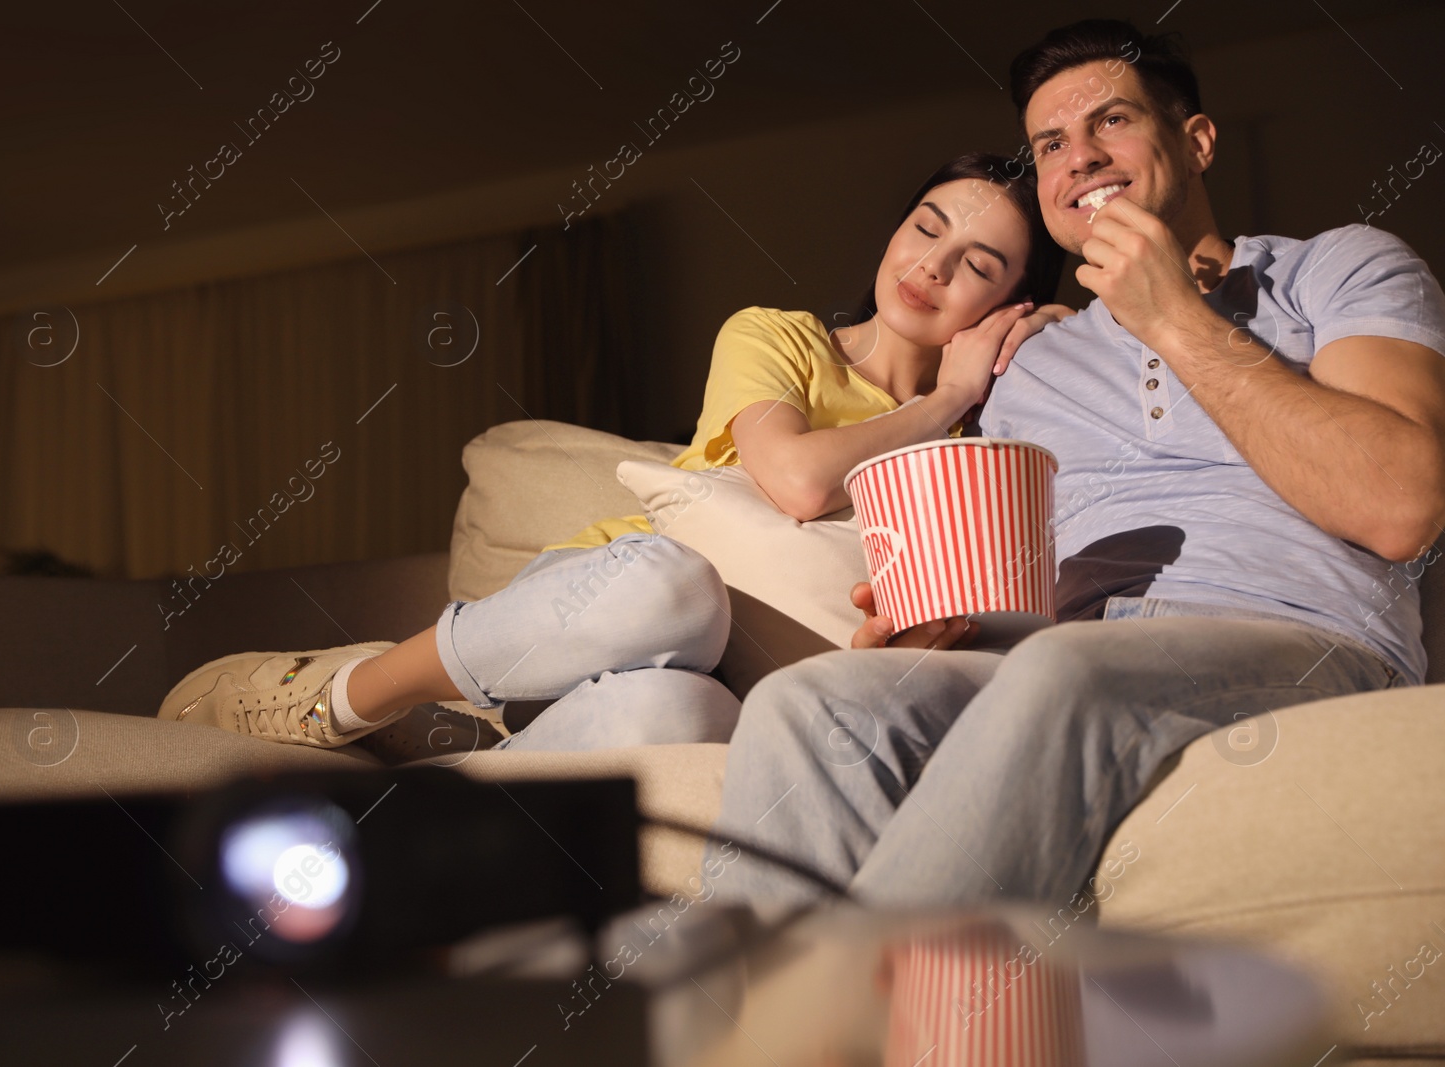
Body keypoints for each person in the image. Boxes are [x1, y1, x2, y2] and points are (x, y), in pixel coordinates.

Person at [708, 19, 1445, 910]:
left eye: (1112, 122)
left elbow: (1403, 502)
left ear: (1198, 141)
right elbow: (1017, 593)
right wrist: (949, 628)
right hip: (1073, 647)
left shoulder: (1337, 270)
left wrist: (1171, 311)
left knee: (1066, 674)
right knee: (813, 704)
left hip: (1299, 636)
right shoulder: (1025, 364)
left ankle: (854, 1028)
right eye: (1051, 143)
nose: (1080, 158)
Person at [157, 152, 1071, 751]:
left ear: (1007, 307)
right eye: (927, 224)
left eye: (981, 265)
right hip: (611, 606)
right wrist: (949, 392)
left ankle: (440, 802)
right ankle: (350, 694)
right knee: (674, 588)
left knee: (687, 718)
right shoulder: (782, 338)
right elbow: (794, 478)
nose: (934, 266)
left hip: (724, 688)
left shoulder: (980, 458)